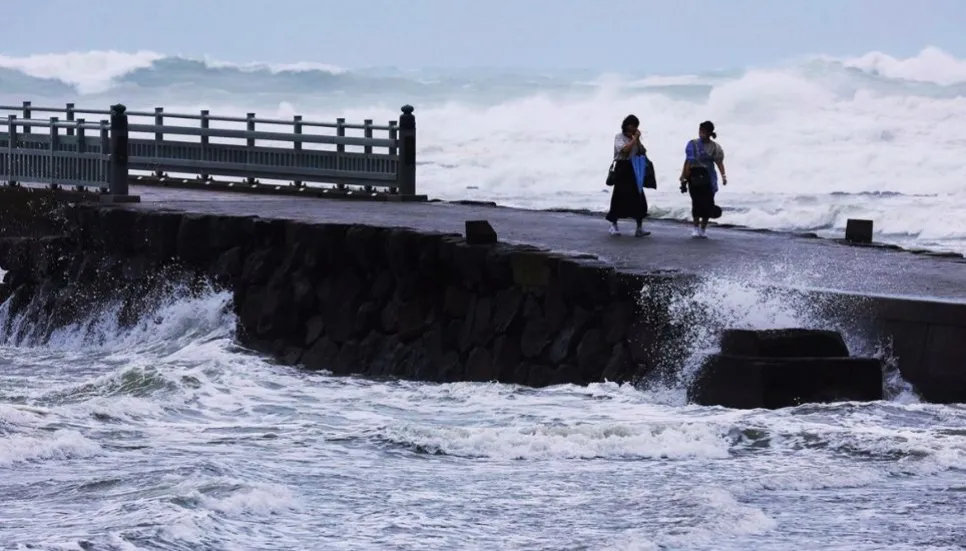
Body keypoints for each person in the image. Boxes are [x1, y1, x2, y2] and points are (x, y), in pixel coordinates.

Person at [679, 121, 727, 238]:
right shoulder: (693, 144)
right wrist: (683, 177)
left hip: (708, 178)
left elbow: (719, 162)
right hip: (694, 176)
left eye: (704, 132)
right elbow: (688, 162)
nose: (701, 134)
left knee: (708, 204)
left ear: (710, 133)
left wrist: (723, 176)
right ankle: (695, 228)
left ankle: (703, 229)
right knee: (696, 203)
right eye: (700, 131)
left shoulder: (715, 147)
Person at [606, 114, 651, 237]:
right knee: (619, 197)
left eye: (635, 126)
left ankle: (639, 227)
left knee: (639, 197)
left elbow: (641, 151)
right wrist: (634, 140)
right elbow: (624, 151)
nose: (633, 128)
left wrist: (638, 142)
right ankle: (613, 225)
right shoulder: (619, 137)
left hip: (634, 168)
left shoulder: (635, 138)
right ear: (626, 125)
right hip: (622, 167)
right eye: (631, 125)